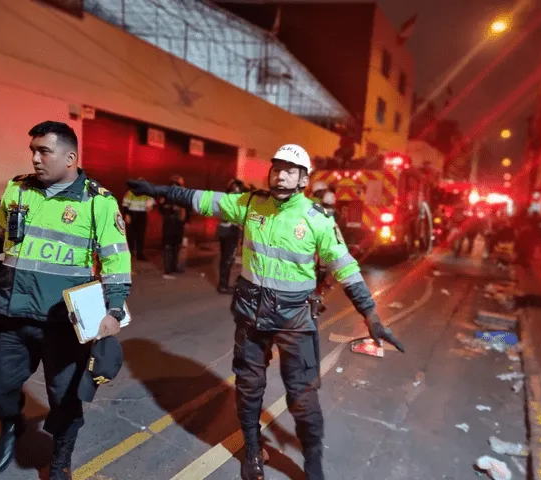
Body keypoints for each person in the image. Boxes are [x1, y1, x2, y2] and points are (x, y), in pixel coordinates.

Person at [127, 144, 404, 479]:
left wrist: (370, 314)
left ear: (303, 179)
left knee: (303, 399)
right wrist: (160, 190)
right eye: (277, 168)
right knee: (248, 387)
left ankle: (313, 463)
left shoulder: (317, 219)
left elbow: (345, 267)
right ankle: (253, 450)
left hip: (295, 321)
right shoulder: (250, 204)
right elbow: (202, 199)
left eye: (290, 170)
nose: (281, 175)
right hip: (251, 315)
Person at [0, 121, 131, 479]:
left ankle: (60, 460)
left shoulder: (98, 202)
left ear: (70, 158)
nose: (36, 159)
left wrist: (114, 309)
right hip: (13, 315)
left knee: (66, 399)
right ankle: (11, 423)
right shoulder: (19, 189)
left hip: (65, 324)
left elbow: (117, 261)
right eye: (33, 151)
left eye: (44, 152)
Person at [158, 175, 190, 279]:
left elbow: (187, 208)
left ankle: (174, 266)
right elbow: (161, 209)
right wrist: (171, 209)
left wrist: (186, 220)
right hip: (169, 223)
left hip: (178, 224)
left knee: (176, 246)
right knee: (168, 246)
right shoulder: (165, 196)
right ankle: (168, 268)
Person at [217, 178, 245, 294]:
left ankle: (223, 284)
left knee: (224, 258)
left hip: (223, 229)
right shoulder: (235, 200)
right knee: (228, 259)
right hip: (230, 231)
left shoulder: (225, 197)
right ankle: (223, 285)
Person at [121, 180, 155, 260]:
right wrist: (127, 215)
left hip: (142, 215)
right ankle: (130, 253)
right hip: (132, 214)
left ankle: (140, 254)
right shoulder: (130, 193)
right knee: (131, 236)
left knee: (140, 235)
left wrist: (149, 207)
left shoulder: (146, 193)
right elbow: (125, 204)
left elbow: (151, 204)